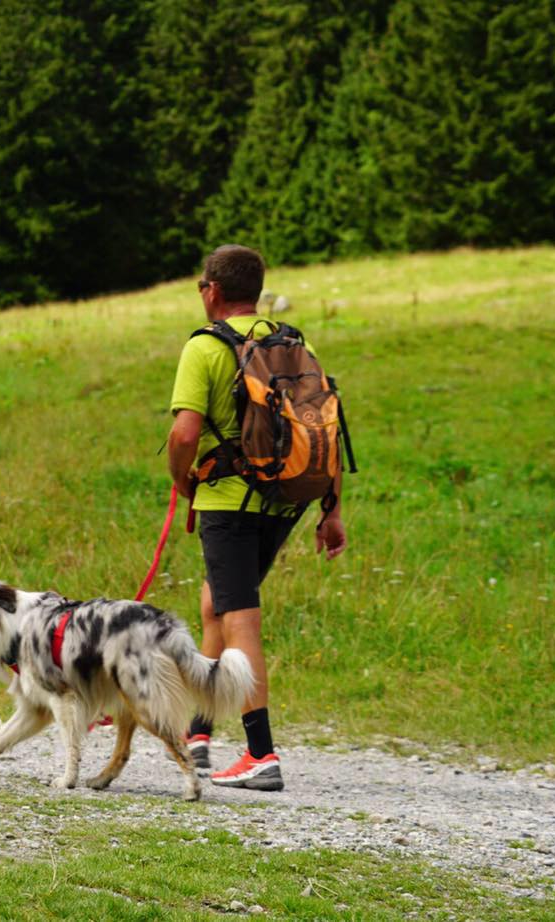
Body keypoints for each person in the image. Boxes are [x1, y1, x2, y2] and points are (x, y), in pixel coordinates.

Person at [166, 244, 347, 792]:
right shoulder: (294, 342)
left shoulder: (204, 347)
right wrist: (332, 510)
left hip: (228, 504)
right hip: (286, 500)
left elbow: (185, 434)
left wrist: (182, 479)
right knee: (214, 601)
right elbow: (324, 426)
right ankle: (198, 732)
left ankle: (260, 754)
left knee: (241, 619)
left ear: (212, 291)